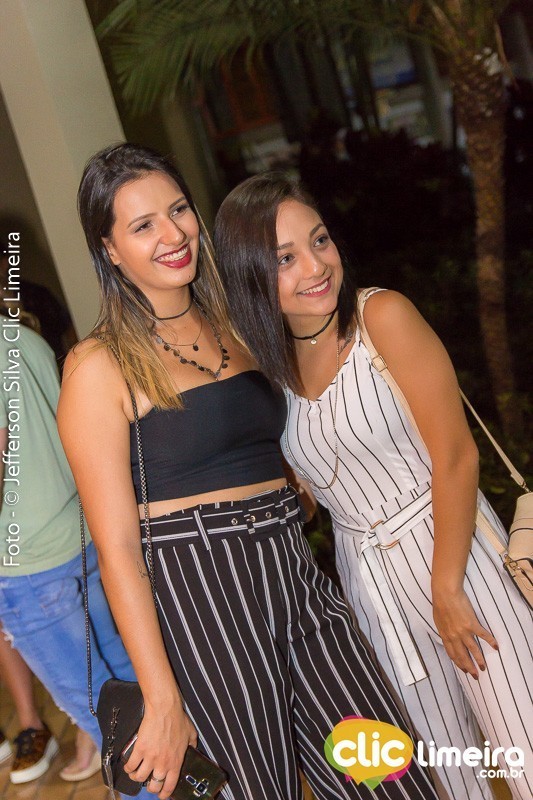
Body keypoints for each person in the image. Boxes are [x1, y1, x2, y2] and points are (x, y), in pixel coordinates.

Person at [58, 142, 440, 800]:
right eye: (143, 225)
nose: (173, 233)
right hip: (203, 600)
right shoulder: (99, 366)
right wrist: (162, 698)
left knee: (390, 780)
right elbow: (116, 549)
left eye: (178, 210)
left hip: (295, 576)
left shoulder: (239, 324)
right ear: (110, 249)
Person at [213, 172, 533, 800]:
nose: (316, 266)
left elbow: (456, 455)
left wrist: (446, 587)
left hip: (457, 558)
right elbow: (314, 492)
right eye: (285, 258)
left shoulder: (381, 316)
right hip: (371, 592)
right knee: (443, 775)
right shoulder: (268, 374)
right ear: (250, 276)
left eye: (320, 240)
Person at [0, 317, 152, 794]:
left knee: (101, 716)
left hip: (26, 563)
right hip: (75, 535)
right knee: (126, 686)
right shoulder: (22, 338)